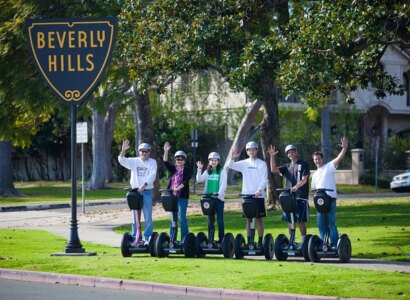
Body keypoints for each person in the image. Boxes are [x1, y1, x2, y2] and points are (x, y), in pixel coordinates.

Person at [226, 141, 268, 248]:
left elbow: (264, 179)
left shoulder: (262, 164)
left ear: (257, 150)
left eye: (253, 149)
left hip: (258, 196)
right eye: (249, 150)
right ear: (247, 151)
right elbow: (230, 165)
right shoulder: (244, 163)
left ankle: (259, 242)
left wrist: (259, 190)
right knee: (248, 219)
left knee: (259, 219)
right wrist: (232, 157)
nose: (251, 151)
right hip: (247, 196)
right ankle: (249, 241)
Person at [268, 144, 310, 244]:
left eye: (292, 151)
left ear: (296, 152)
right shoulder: (286, 167)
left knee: (300, 220)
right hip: (289, 198)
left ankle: (304, 241)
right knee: (290, 220)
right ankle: (292, 240)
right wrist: (272, 156)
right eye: (288, 152)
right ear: (287, 154)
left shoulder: (303, 164)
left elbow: (304, 179)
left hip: (300, 196)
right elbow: (273, 170)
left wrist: (296, 186)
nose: (291, 153)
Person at [311, 136, 348, 248]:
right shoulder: (314, 174)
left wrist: (344, 149)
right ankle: (324, 244)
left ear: (322, 159)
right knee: (321, 224)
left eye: (319, 158)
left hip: (330, 199)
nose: (317, 161)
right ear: (314, 161)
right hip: (320, 202)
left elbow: (338, 158)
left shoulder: (329, 167)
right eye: (315, 159)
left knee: (331, 223)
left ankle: (335, 245)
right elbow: (314, 190)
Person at [118, 140, 157, 245]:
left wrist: (144, 184)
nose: (144, 153)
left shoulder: (152, 162)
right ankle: (136, 238)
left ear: (149, 152)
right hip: (135, 192)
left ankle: (148, 238)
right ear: (139, 152)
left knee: (147, 216)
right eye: (142, 151)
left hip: (147, 191)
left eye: (146, 151)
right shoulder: (134, 161)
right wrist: (123, 150)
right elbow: (121, 160)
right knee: (135, 217)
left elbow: (152, 175)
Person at [196, 152, 228, 244]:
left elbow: (223, 184)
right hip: (209, 199)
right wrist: (199, 169)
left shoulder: (222, 171)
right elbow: (199, 180)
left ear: (218, 161)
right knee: (210, 220)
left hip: (218, 199)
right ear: (209, 161)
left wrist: (218, 193)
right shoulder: (207, 171)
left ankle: (222, 240)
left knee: (220, 220)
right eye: (211, 160)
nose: (213, 162)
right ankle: (210, 239)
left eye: (215, 160)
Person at [163, 142, 192, 241]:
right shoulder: (173, 169)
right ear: (175, 160)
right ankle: (172, 239)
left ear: (184, 160)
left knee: (181, 218)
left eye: (181, 159)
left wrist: (179, 187)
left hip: (182, 197)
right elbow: (165, 162)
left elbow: (186, 180)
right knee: (172, 218)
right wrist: (166, 151)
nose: (179, 160)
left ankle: (185, 239)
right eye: (177, 159)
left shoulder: (187, 170)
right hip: (172, 197)